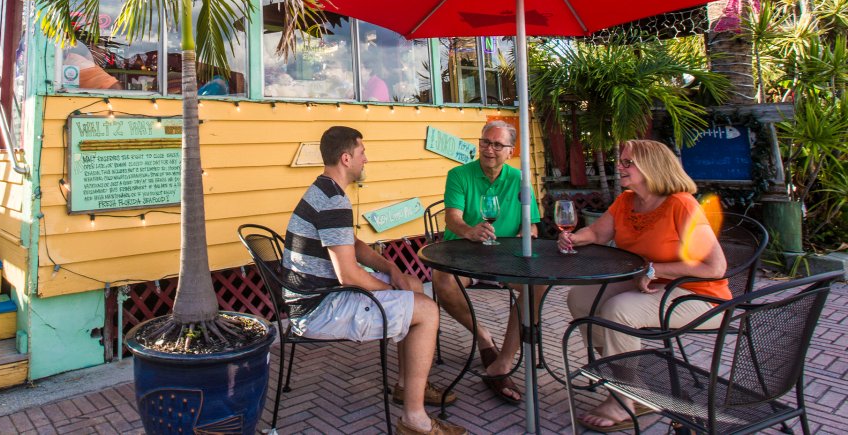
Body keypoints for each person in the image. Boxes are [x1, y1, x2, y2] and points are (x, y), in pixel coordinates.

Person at [281, 126, 467, 435]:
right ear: (345, 158)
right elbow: (348, 275)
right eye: (362, 153)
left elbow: (352, 245)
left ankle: (407, 386)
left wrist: (392, 270)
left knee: (414, 286)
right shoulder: (332, 201)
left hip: (315, 298)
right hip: (318, 310)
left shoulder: (325, 190)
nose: (366, 159)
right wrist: (391, 288)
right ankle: (415, 419)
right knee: (427, 310)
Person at [559, 139, 729, 432]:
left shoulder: (681, 204)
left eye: (627, 163)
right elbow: (599, 233)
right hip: (648, 285)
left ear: (651, 167)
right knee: (580, 299)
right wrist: (575, 238)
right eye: (620, 161)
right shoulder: (626, 200)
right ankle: (634, 387)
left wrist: (656, 268)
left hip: (698, 295)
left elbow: (714, 267)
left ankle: (624, 398)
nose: (619, 167)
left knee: (618, 310)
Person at [430, 120, 542, 404]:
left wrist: (523, 234)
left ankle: (502, 363)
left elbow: (532, 226)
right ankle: (483, 336)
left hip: (505, 257)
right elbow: (452, 217)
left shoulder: (521, 179)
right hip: (464, 253)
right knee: (441, 282)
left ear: (510, 150)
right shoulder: (459, 174)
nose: (488, 149)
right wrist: (469, 231)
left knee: (536, 286)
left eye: (496, 144)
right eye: (484, 142)